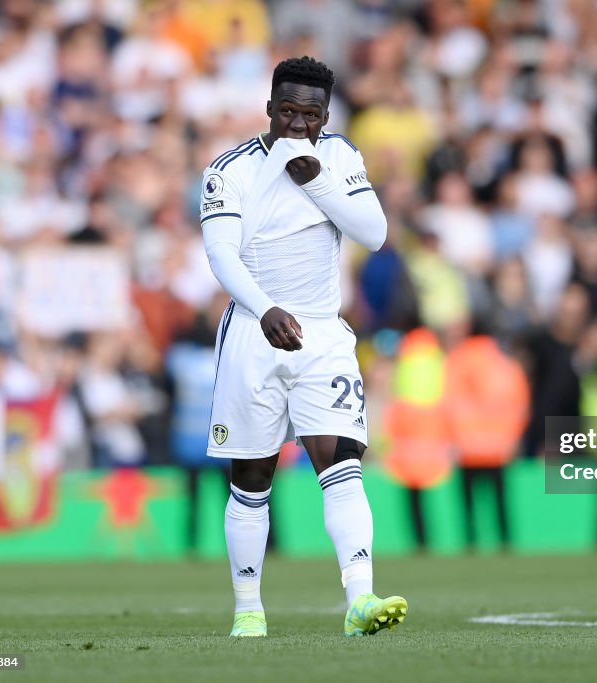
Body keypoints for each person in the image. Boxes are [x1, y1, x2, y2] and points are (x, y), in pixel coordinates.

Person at [199, 56, 406, 638]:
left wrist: (315, 178)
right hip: (252, 331)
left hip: (322, 332)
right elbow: (221, 254)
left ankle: (360, 602)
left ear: (325, 115)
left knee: (341, 464)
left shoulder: (338, 156)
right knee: (253, 477)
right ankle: (248, 608)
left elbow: (375, 232)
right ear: (269, 108)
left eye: (309, 114)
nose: (296, 124)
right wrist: (264, 309)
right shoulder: (228, 170)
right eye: (286, 111)